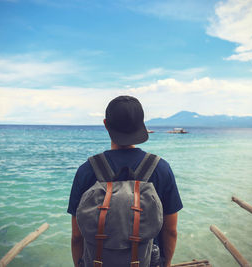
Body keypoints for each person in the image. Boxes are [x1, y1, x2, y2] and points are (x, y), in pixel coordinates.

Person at [67, 95, 183, 267]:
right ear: (142, 125)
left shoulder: (87, 170)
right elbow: (170, 231)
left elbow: (77, 236)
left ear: (106, 124)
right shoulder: (160, 169)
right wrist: (166, 264)